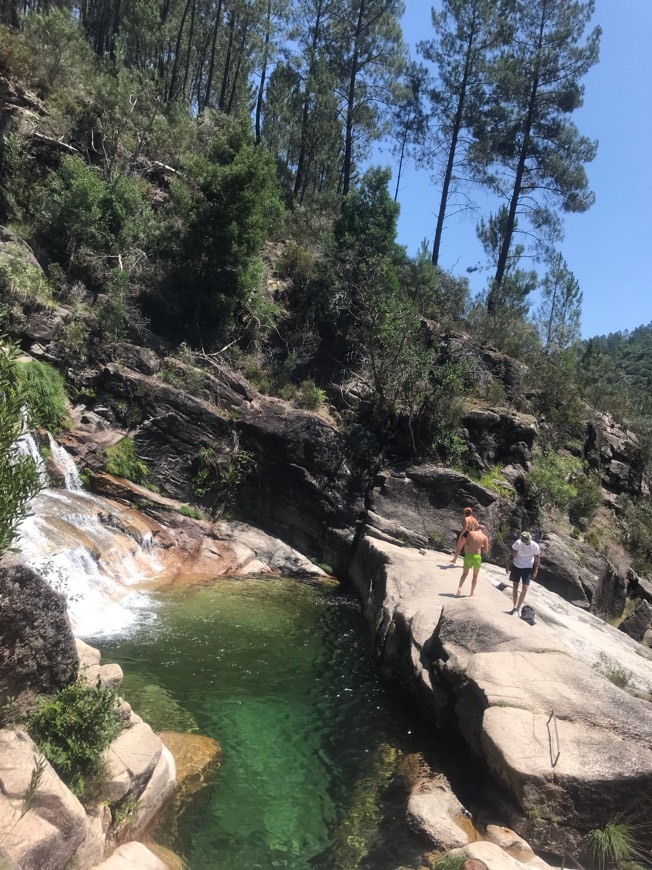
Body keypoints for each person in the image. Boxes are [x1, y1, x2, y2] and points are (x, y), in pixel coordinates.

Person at [506, 531, 541, 615]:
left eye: (525, 540)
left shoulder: (535, 546)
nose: (524, 541)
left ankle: (518, 608)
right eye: (523, 540)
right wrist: (508, 566)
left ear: (529, 539)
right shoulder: (518, 543)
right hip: (516, 565)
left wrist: (536, 570)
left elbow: (537, 558)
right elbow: (512, 555)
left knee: (525, 588)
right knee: (515, 586)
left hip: (527, 567)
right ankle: (514, 607)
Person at [451, 525, 489, 597]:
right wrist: (482, 547)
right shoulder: (484, 537)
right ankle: (472, 592)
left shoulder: (470, 533)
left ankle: (459, 588)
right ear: (483, 530)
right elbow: (486, 550)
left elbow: (467, 544)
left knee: (464, 574)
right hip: (477, 557)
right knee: (475, 576)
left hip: (468, 555)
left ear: (477, 528)